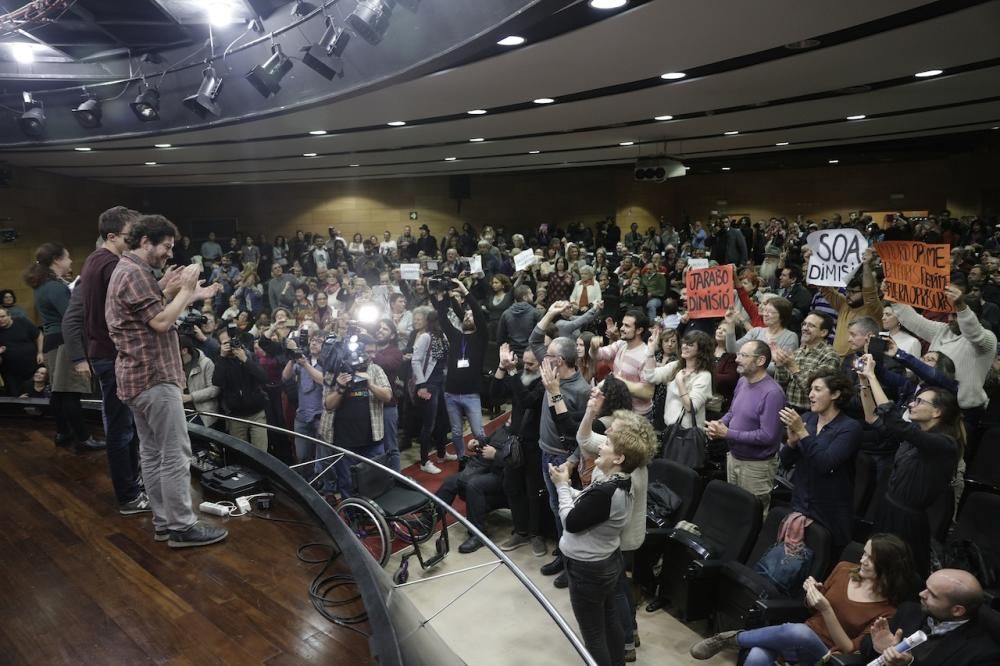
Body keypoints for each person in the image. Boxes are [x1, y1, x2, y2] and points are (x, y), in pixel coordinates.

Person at [105, 214, 227, 548]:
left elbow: (146, 310)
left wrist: (182, 293)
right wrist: (185, 291)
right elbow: (159, 321)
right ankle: (182, 526)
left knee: (153, 454)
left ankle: (164, 523)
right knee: (174, 454)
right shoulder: (133, 272)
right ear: (146, 241)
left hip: (138, 379)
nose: (169, 255)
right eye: (166, 247)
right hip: (154, 377)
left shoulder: (132, 272)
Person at [691, 534, 917, 665]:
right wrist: (813, 596)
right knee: (758, 656)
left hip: (827, 655)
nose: (862, 560)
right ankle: (732, 640)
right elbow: (811, 611)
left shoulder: (887, 611)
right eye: (864, 553)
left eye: (870, 558)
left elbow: (849, 649)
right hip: (799, 634)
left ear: (888, 568)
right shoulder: (844, 569)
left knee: (799, 632)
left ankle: (729, 639)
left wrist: (827, 609)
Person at [548, 409, 654, 666]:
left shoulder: (608, 491)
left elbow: (571, 522)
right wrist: (570, 489)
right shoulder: (621, 481)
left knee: (594, 635)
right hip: (604, 562)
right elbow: (588, 502)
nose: (600, 445)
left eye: (606, 443)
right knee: (608, 620)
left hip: (587, 569)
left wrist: (562, 486)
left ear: (619, 457)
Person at [65, 206, 151, 514]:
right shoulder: (113, 264)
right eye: (132, 235)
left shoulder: (93, 260)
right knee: (121, 430)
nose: (137, 240)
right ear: (111, 236)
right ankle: (129, 496)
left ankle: (133, 485)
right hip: (112, 355)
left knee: (123, 426)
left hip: (105, 354)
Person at [858, 355, 961, 576]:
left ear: (937, 412)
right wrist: (864, 384)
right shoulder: (915, 437)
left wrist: (872, 375)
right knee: (875, 566)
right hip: (888, 508)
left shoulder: (944, 444)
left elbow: (896, 422)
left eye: (919, 402)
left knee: (895, 574)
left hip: (908, 521)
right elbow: (872, 418)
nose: (912, 404)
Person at [889, 284, 995, 459]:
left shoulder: (986, 340)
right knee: (916, 458)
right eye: (949, 314)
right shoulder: (943, 330)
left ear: (973, 316)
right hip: (931, 406)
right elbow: (914, 320)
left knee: (949, 463)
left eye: (956, 314)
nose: (950, 318)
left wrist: (961, 305)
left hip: (962, 413)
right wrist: (893, 296)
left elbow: (974, 333)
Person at [529, 301, 593, 579]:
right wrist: (552, 312)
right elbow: (534, 338)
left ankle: (572, 563)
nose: (544, 356)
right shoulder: (551, 370)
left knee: (566, 511)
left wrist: (571, 462)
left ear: (560, 361)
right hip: (545, 451)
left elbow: (580, 435)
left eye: (550, 354)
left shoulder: (580, 390)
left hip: (562, 458)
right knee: (555, 508)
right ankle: (563, 554)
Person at [24, 242, 104, 451]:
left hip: (53, 339)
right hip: (64, 341)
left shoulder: (44, 285)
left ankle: (63, 432)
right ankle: (84, 438)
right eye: (67, 257)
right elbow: (71, 317)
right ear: (57, 260)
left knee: (59, 393)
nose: (70, 261)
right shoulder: (55, 287)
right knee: (69, 393)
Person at [778, 371, 863, 552]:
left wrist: (802, 433)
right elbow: (784, 462)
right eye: (810, 390)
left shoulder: (849, 428)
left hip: (829, 513)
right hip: (800, 505)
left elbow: (825, 464)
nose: (810, 395)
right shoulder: (808, 419)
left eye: (817, 389)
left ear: (835, 394)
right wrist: (791, 443)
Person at [706, 340, 786, 512]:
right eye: (738, 354)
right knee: (734, 509)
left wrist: (728, 433)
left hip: (756, 466)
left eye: (743, 355)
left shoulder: (773, 393)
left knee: (752, 514)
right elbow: (733, 412)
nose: (737, 359)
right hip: (734, 457)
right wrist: (720, 424)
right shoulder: (742, 381)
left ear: (760, 361)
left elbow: (768, 436)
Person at [858, 569, 1000, 666]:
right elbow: (865, 650)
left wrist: (910, 664)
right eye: (926, 587)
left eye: (932, 595)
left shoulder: (983, 654)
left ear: (957, 610)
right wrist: (879, 647)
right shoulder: (909, 611)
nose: (921, 594)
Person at [493, 344, 548, 557]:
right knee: (512, 487)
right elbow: (494, 395)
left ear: (542, 364)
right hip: (515, 441)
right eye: (524, 362)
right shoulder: (520, 377)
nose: (526, 366)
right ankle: (520, 531)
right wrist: (501, 368)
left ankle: (536, 534)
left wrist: (514, 372)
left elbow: (527, 401)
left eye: (531, 363)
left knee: (534, 491)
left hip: (535, 444)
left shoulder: (544, 383)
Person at [321, 337, 392, 496]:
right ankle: (352, 517)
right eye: (367, 352)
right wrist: (340, 387)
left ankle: (375, 515)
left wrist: (369, 384)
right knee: (347, 483)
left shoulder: (375, 370)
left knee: (376, 482)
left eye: (373, 352)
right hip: (344, 441)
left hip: (372, 440)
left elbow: (387, 396)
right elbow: (328, 405)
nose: (371, 356)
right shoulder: (334, 372)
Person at [643, 329, 715, 449]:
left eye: (690, 345)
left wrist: (680, 383)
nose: (685, 347)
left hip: (687, 435)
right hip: (670, 429)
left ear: (701, 350)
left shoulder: (704, 376)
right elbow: (651, 376)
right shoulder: (676, 366)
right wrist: (650, 350)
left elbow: (690, 407)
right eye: (684, 343)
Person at [812, 246, 883, 357]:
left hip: (859, 362)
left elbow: (869, 290)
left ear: (863, 292)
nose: (848, 295)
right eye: (848, 291)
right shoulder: (843, 304)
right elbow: (825, 289)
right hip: (836, 360)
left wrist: (866, 265)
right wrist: (817, 260)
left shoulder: (873, 308)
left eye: (854, 292)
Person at [282, 330, 329, 490]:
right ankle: (306, 487)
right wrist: (291, 359)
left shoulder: (328, 362)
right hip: (301, 416)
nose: (314, 343)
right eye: (313, 340)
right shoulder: (302, 359)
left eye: (319, 341)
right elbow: (285, 377)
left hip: (321, 417)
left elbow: (322, 380)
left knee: (322, 458)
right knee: (302, 456)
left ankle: (322, 488)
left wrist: (305, 364)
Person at [213, 326, 270, 452]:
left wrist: (244, 359)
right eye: (225, 343)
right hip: (236, 416)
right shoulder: (220, 360)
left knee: (261, 454)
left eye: (231, 341)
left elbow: (264, 378)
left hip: (257, 413)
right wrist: (222, 357)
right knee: (241, 454)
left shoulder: (249, 355)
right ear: (220, 345)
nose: (230, 345)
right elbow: (217, 382)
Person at [773, 312, 842, 412]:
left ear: (823, 332)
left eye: (811, 326)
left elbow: (817, 391)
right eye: (804, 324)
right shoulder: (798, 352)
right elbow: (781, 383)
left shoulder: (830, 356)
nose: (805, 328)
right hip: (788, 409)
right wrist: (780, 365)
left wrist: (793, 367)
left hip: (812, 413)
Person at [591, 309, 654, 416]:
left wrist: (619, 381)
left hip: (638, 415)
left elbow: (647, 392)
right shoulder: (621, 344)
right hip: (619, 410)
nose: (621, 328)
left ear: (639, 330)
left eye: (627, 326)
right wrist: (594, 348)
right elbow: (599, 355)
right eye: (622, 324)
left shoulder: (647, 356)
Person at [372, 319, 404, 473]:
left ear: (392, 335)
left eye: (385, 329)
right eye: (379, 328)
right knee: (375, 447)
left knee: (391, 446)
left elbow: (387, 364)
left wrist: (371, 351)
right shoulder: (369, 348)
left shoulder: (395, 352)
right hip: (370, 404)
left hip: (387, 406)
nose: (380, 330)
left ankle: (397, 480)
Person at [0, 306, 41, 396]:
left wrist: (40, 352)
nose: (0, 320)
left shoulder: (22, 322)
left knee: (31, 394)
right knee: (14, 395)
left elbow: (38, 335)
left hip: (31, 366)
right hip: (10, 371)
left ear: (9, 315)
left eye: (3, 316)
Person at [179, 336, 219, 427]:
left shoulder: (205, 363)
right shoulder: (173, 366)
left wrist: (191, 397)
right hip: (181, 413)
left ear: (184, 350)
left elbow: (215, 389)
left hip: (202, 414)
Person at [497, 284, 541, 354]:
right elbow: (540, 336)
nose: (533, 295)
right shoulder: (535, 313)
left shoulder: (506, 313)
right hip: (531, 354)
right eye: (530, 293)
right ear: (525, 297)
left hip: (511, 354)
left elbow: (500, 338)